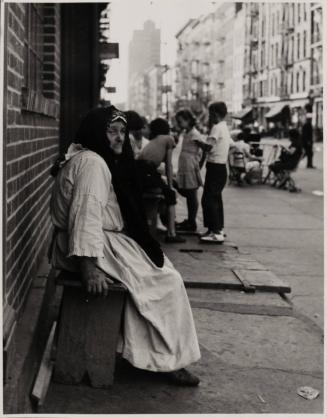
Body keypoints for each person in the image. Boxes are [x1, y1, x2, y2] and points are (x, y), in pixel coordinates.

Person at [49, 106, 200, 386]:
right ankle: (168, 359)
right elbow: (86, 214)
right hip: (90, 246)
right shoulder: (92, 164)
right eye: (112, 131)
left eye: (122, 131)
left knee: (158, 271)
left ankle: (151, 353)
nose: (120, 138)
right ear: (97, 133)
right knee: (166, 282)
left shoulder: (92, 159)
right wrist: (89, 267)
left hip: (99, 241)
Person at [139, 117, 185, 243]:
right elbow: (169, 165)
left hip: (141, 173)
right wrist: (170, 186)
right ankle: (171, 233)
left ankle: (166, 227)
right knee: (171, 195)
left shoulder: (153, 141)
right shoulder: (168, 139)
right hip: (147, 172)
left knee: (165, 191)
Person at [200, 102, 233, 244]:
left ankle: (216, 232)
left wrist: (197, 142)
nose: (209, 116)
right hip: (220, 167)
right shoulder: (224, 127)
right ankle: (216, 228)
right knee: (215, 199)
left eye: (210, 113)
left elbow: (208, 147)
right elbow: (231, 145)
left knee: (209, 200)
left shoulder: (216, 128)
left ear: (215, 113)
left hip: (214, 167)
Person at [174, 109, 206, 232]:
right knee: (187, 192)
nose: (179, 124)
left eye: (180, 122)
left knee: (192, 194)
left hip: (191, 166)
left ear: (188, 120)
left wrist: (199, 164)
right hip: (185, 166)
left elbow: (205, 150)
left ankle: (192, 221)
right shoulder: (187, 133)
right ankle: (190, 219)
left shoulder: (195, 134)